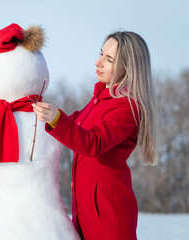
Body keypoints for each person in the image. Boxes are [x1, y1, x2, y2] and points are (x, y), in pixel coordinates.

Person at [32, 31, 157, 240]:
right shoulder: (100, 100)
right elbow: (72, 125)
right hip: (86, 214)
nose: (98, 62)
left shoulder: (127, 106)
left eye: (109, 59)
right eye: (101, 54)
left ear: (129, 67)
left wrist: (56, 118)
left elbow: (93, 143)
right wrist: (16, 110)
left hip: (109, 217)